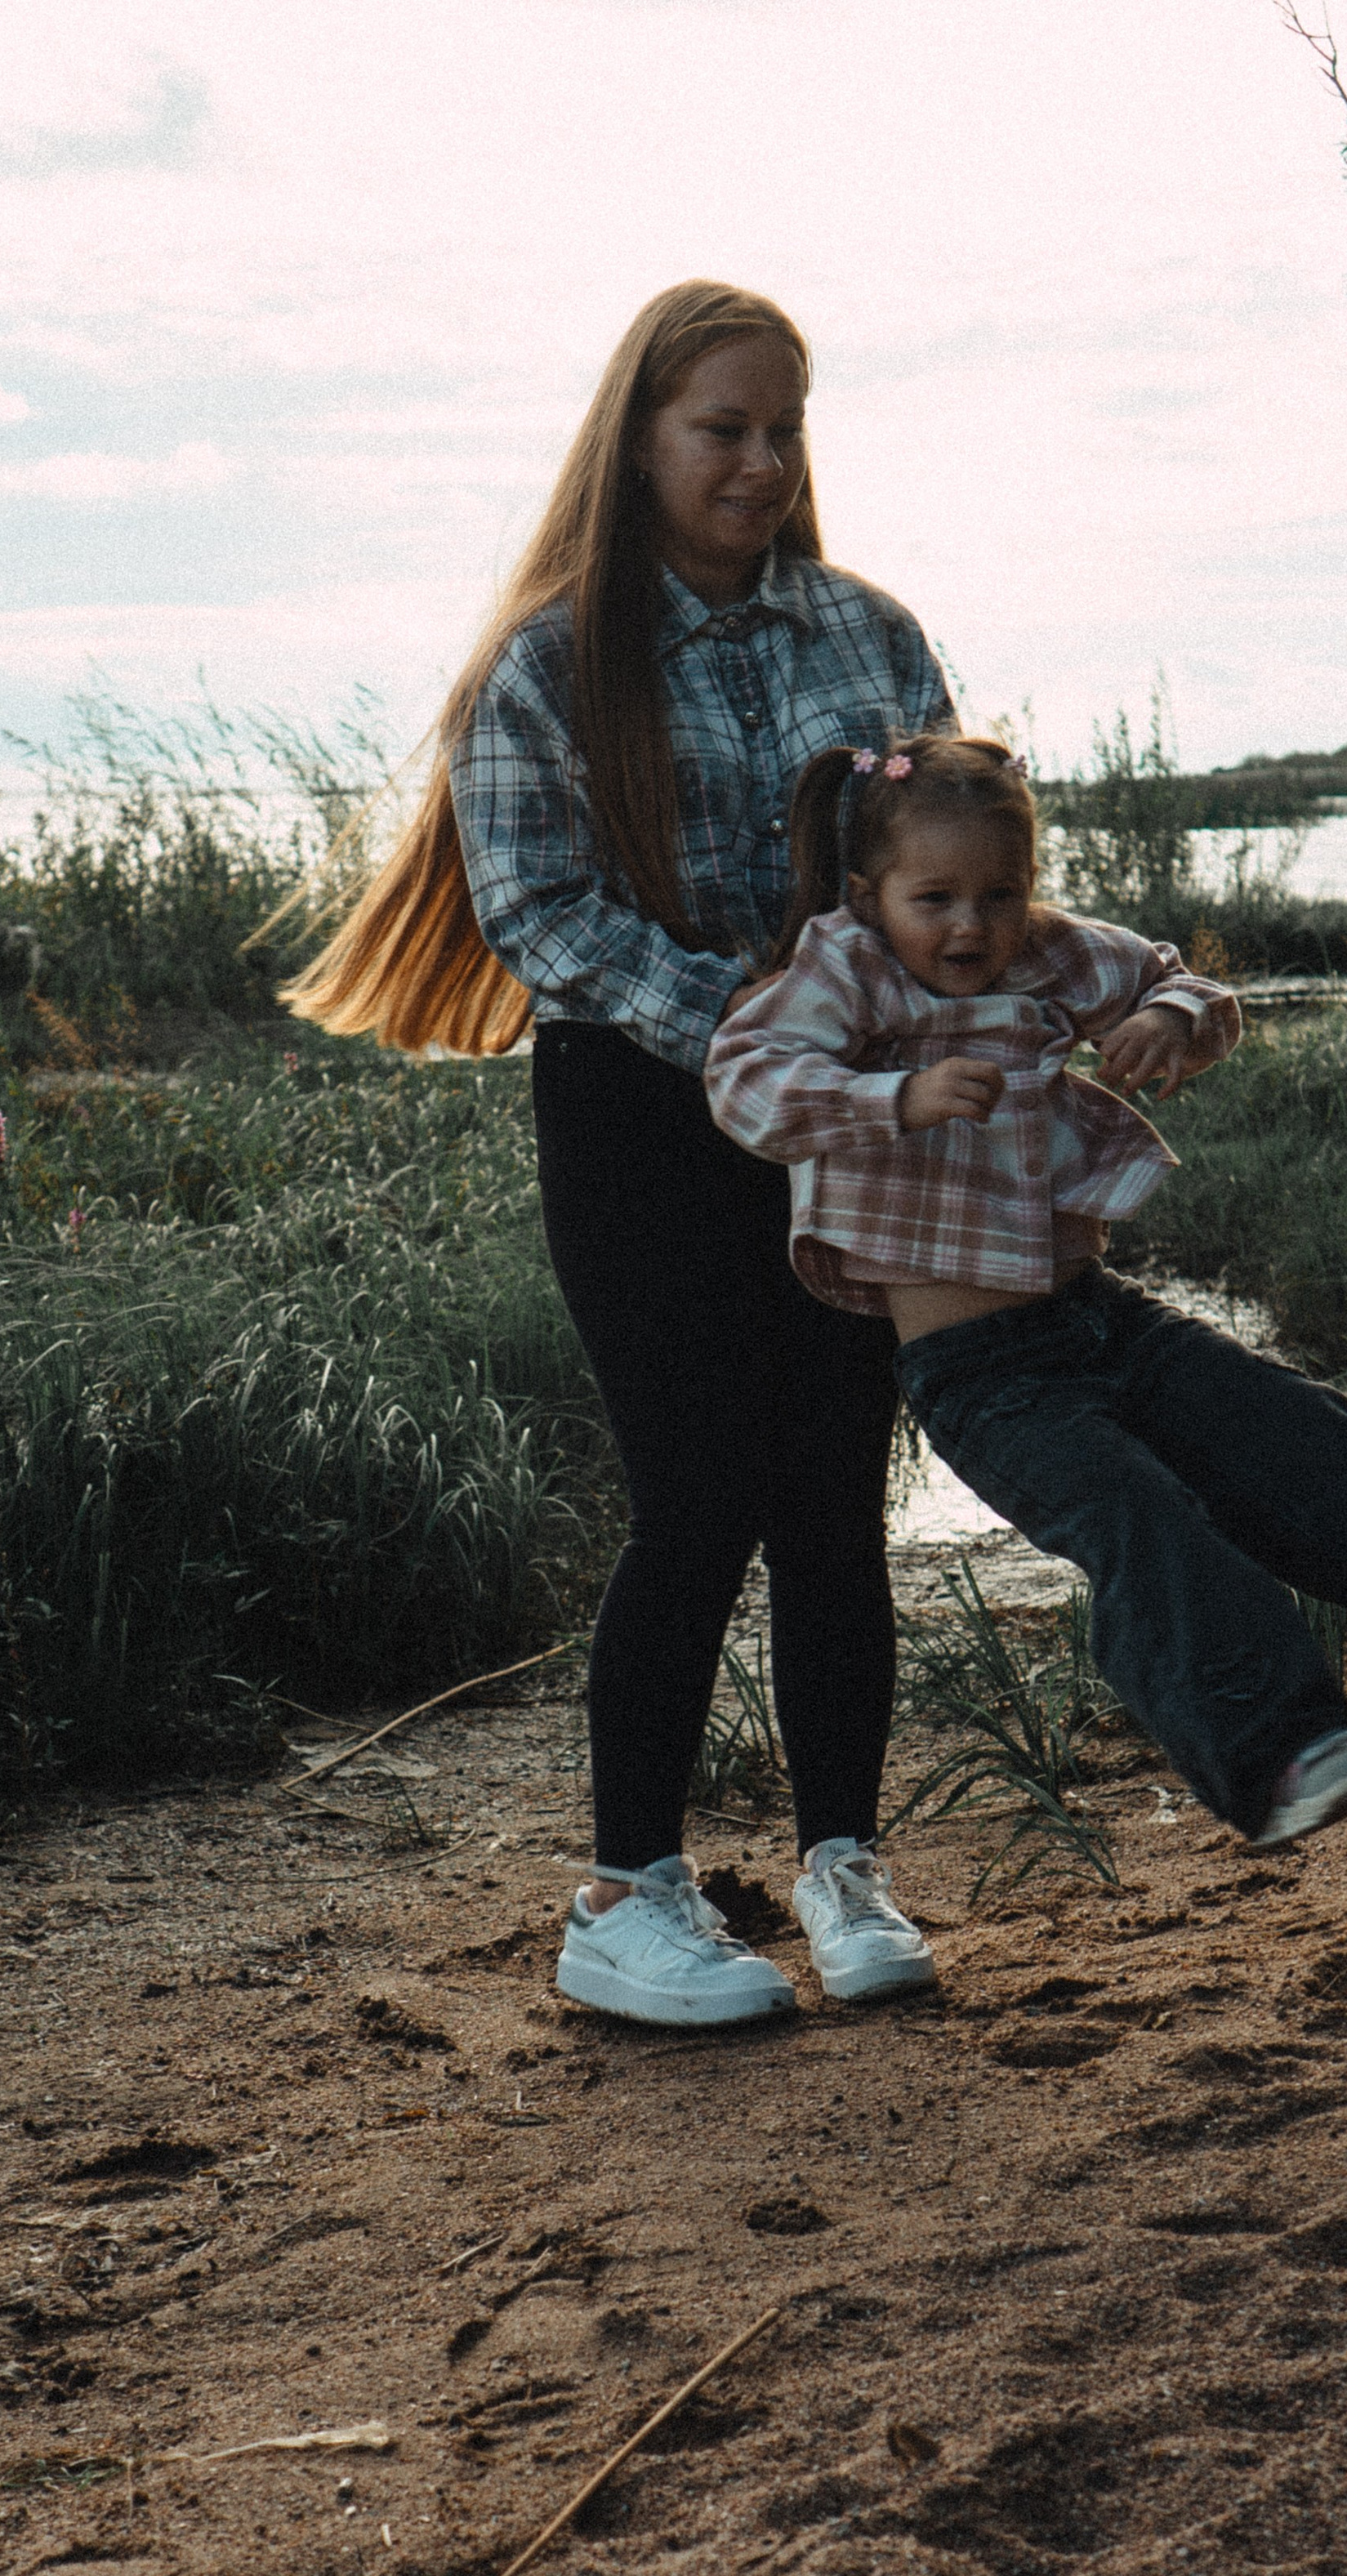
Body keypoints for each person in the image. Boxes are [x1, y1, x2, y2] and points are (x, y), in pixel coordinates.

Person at [284, 281, 946, 2023]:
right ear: (638, 439)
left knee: (831, 1504)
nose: (755, 460)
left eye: (780, 427)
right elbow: (542, 917)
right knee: (695, 1497)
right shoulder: (548, 666)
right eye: (718, 428)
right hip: (641, 1123)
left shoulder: (870, 639)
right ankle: (623, 1900)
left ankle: (841, 1870)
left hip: (839, 1125)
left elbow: (945, 860)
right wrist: (754, 1018)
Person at [706, 733, 1347, 1847]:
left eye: (999, 895)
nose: (971, 925)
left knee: (1303, 1440)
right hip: (982, 1377)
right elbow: (743, 1081)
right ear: (872, 896)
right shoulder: (846, 968)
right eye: (938, 899)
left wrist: (1170, 1016)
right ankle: (1282, 1755)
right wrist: (896, 1099)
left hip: (1104, 1319)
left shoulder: (1044, 951)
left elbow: (1183, 977)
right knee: (1148, 1528)